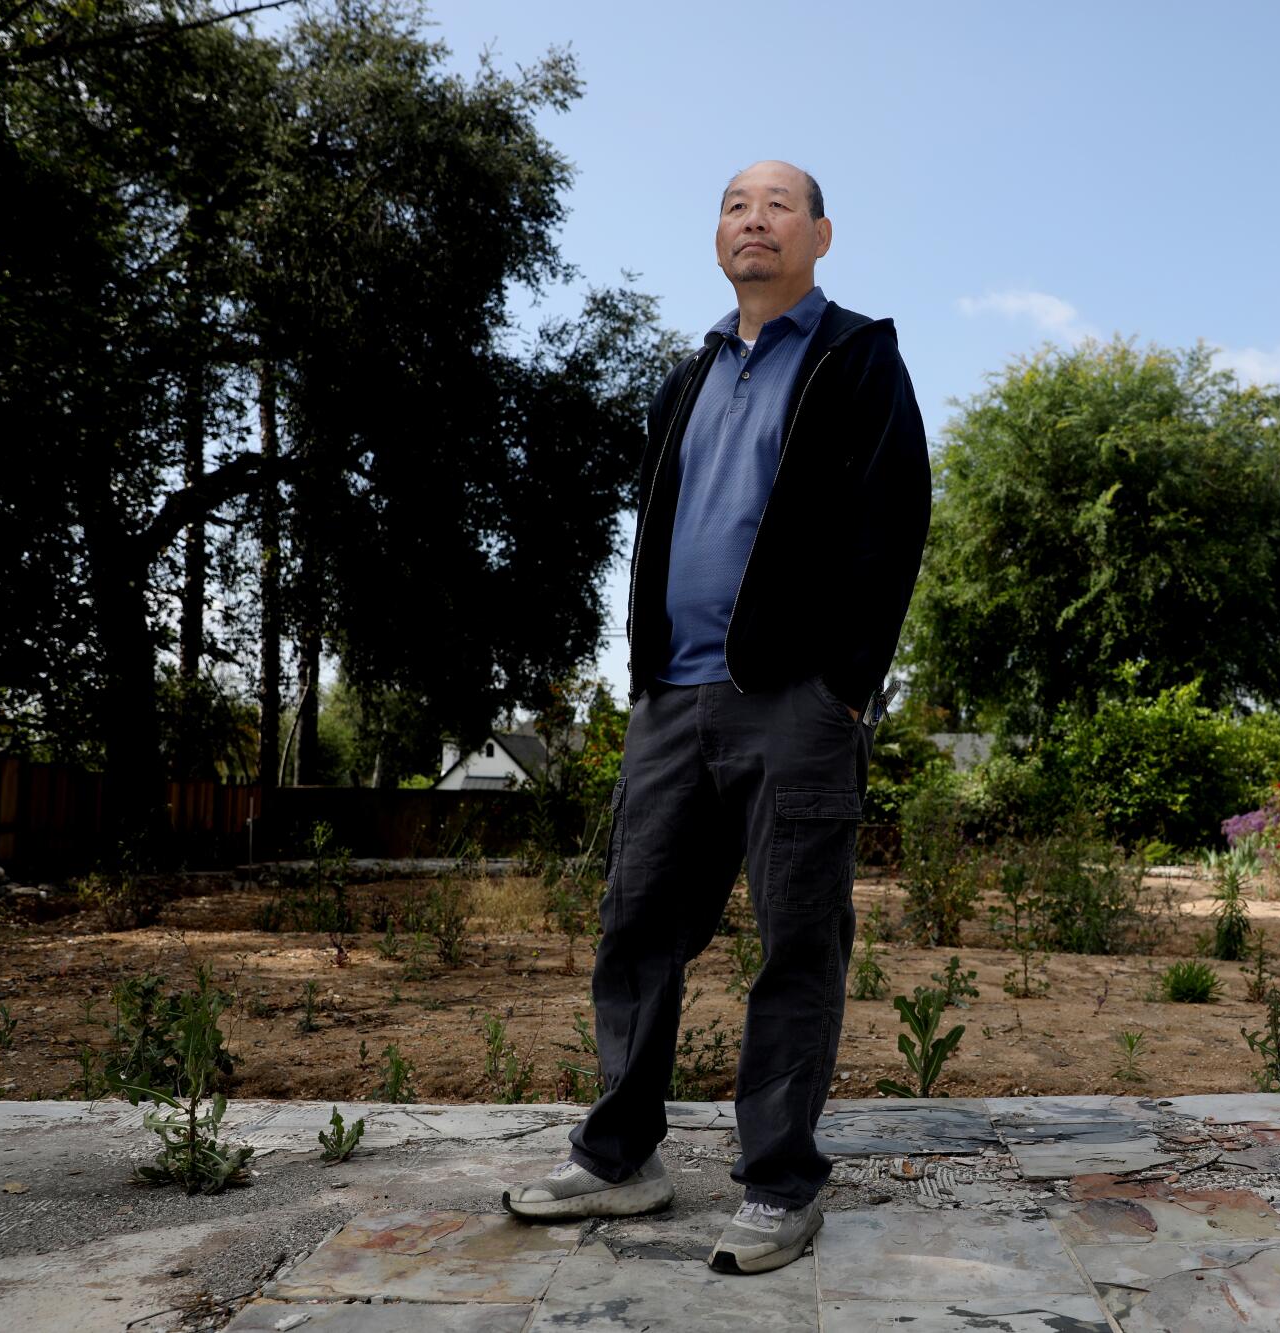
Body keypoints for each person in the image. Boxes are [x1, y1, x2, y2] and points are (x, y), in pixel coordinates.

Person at [504, 160, 931, 1276]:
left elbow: (892, 524)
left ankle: (779, 1180)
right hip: (670, 699)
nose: (754, 221)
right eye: (736, 206)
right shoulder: (691, 371)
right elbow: (659, 523)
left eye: (778, 205)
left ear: (821, 235)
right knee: (636, 923)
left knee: (796, 940)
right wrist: (644, 670)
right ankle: (619, 1156)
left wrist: (844, 682)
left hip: (791, 702)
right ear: (716, 236)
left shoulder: (856, 359)